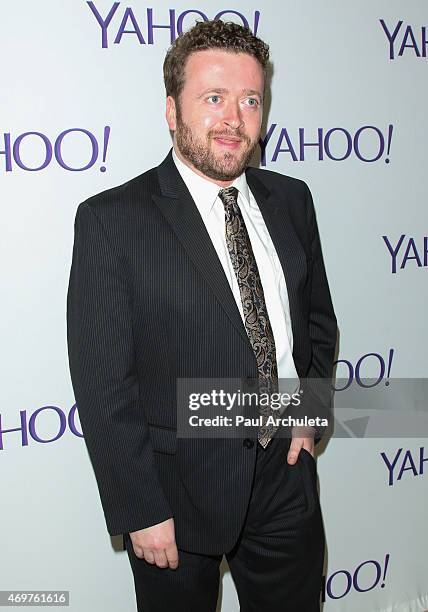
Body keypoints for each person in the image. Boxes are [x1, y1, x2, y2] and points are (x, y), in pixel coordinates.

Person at [66, 18, 337, 612]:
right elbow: (104, 384)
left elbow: (316, 323)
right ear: (171, 110)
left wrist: (308, 418)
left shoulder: (292, 200)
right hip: (176, 496)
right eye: (213, 98)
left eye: (249, 100)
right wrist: (139, 507)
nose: (233, 120)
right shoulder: (113, 220)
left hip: (285, 481)